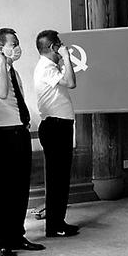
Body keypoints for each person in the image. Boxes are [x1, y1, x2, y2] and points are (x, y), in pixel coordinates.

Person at [0, 28, 44, 256]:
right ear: (0, 48)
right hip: (2, 134)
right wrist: (2, 63)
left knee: (20, 187)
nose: (17, 48)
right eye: (13, 44)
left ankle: (17, 235)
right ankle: (3, 242)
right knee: (4, 191)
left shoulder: (12, 71)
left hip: (19, 131)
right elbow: (3, 93)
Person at [34, 30, 80, 238]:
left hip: (59, 126)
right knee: (56, 179)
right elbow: (71, 82)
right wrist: (67, 57)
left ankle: (58, 222)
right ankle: (54, 226)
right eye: (60, 44)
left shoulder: (50, 67)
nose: (63, 47)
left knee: (60, 177)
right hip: (55, 126)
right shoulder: (46, 67)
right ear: (53, 47)